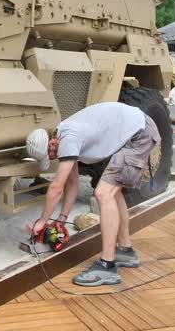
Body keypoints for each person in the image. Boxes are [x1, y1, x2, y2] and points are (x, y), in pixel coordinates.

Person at [26, 101, 160, 286]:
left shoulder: (69, 137)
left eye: (50, 156)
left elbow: (57, 187)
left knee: (104, 193)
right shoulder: (64, 133)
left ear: (52, 143)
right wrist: (61, 219)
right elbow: (72, 184)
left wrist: (42, 221)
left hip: (139, 133)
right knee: (113, 193)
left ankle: (107, 266)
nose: (54, 159)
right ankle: (126, 251)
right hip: (136, 129)